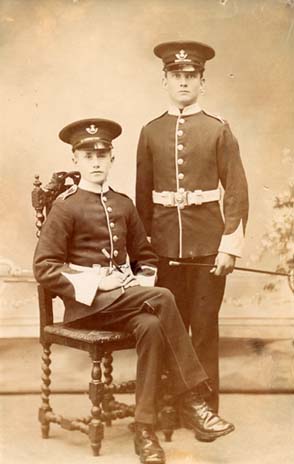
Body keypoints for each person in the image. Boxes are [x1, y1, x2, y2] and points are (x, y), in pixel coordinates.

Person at [33, 118, 234, 464]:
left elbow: (146, 258)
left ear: (112, 158)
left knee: (153, 324)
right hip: (86, 310)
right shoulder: (65, 208)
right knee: (163, 297)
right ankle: (193, 397)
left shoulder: (124, 204)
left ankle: (144, 432)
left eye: (103, 154)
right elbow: (44, 267)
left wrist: (135, 281)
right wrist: (98, 283)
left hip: (124, 303)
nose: (96, 161)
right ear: (75, 160)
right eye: (87, 154)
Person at [136, 41, 249, 415]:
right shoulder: (150, 132)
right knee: (168, 329)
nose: (183, 82)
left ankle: (204, 409)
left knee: (202, 329)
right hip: (164, 247)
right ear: (164, 80)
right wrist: (144, 253)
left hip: (207, 245)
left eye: (190, 76)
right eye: (176, 75)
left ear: (203, 81)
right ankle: (171, 404)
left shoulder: (218, 130)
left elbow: (235, 189)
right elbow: (142, 197)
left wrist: (229, 246)